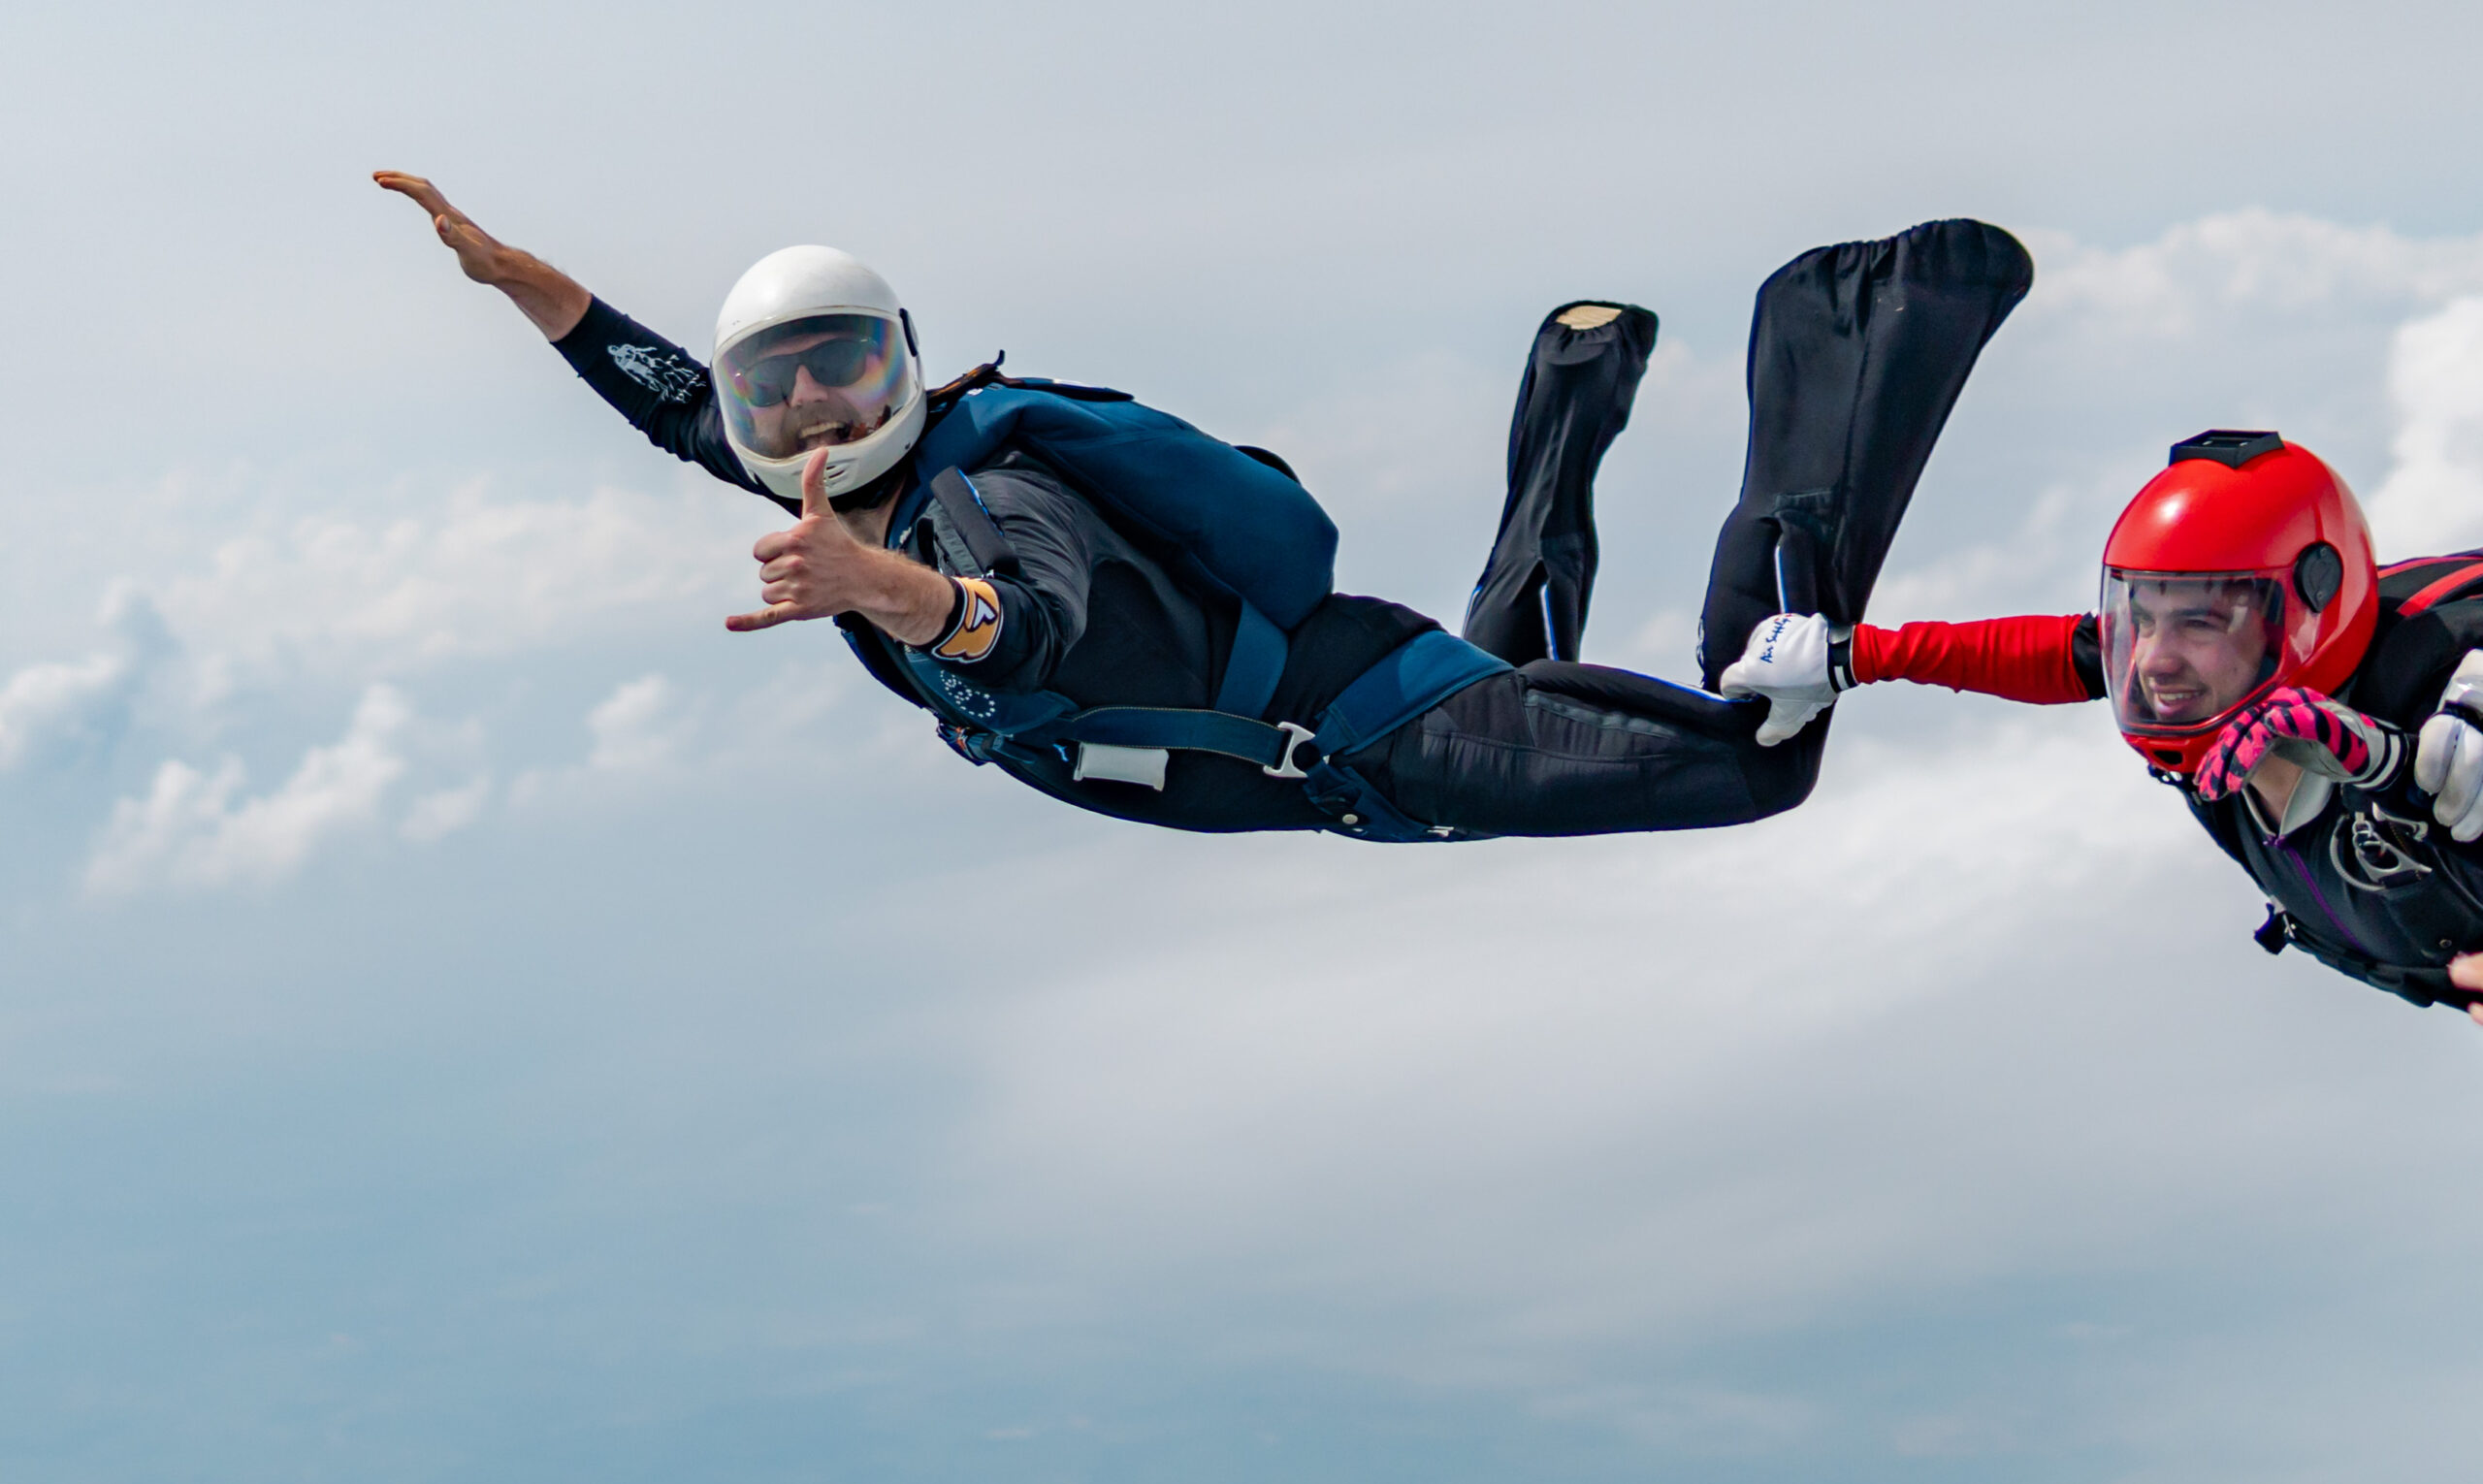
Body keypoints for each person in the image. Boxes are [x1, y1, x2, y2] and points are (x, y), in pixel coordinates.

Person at [375, 171, 2029, 844]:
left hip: (1383, 738)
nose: (809, 413)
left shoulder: (985, 489)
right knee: (1505, 663)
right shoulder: (820, 470)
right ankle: (1572, 398)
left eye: (840, 370)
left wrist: (872, 586)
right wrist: (530, 288)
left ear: (910, 365)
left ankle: (1857, 342)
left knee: (1763, 759)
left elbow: (1033, 624)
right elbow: (682, 409)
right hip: (1375, 708)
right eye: (776, 390)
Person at [1717, 428, 2483, 1020]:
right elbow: (2063, 651)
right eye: (2140, 615)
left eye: (2200, 621)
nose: (2153, 661)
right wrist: (1850, 657)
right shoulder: (2219, 713)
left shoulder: (2434, 706)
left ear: (2311, 614)